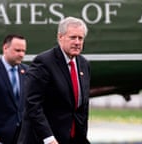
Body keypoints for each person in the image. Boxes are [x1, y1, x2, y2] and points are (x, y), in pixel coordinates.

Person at [17, 16, 91, 144]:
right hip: (44, 139)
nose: (77, 42)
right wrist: (48, 138)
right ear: (60, 37)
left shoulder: (83, 64)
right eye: (73, 37)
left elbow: (82, 107)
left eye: (80, 38)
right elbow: (33, 105)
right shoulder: (43, 62)